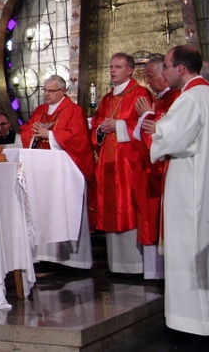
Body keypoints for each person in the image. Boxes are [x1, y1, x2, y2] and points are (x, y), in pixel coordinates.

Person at [143, 46, 209, 338]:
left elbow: (171, 138)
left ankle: (192, 325)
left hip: (192, 192)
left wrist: (153, 129)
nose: (164, 71)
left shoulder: (190, 99)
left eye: (166, 66)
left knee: (190, 254)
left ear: (181, 69)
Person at [90, 52, 153, 275]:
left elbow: (146, 124)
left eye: (118, 67)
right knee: (110, 208)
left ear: (130, 71)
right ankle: (116, 266)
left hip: (129, 164)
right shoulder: (107, 99)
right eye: (111, 67)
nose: (113, 71)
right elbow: (96, 125)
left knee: (128, 207)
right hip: (108, 163)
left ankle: (135, 266)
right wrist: (100, 129)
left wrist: (116, 125)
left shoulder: (140, 94)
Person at [131, 57, 180, 279]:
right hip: (149, 169)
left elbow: (164, 133)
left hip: (167, 169)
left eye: (150, 76)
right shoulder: (162, 99)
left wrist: (149, 116)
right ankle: (154, 272)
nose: (147, 82)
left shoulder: (178, 98)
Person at [20, 76, 95, 182]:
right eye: (45, 90)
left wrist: (49, 135)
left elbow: (78, 139)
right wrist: (34, 137)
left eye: (51, 91)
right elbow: (26, 130)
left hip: (64, 169)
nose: (46, 94)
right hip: (39, 165)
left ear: (62, 91)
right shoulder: (39, 110)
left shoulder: (74, 111)